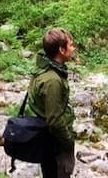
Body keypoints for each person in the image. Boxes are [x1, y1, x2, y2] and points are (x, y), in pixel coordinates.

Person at [29, 28, 77, 178]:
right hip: (55, 144)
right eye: (70, 45)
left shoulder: (47, 70)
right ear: (62, 50)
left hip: (48, 141)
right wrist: (69, 141)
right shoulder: (52, 81)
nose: (73, 48)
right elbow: (54, 120)